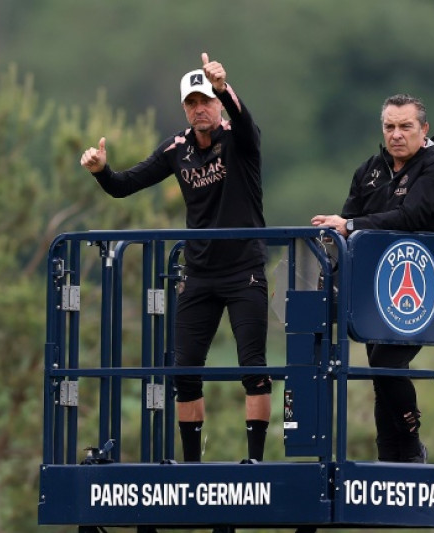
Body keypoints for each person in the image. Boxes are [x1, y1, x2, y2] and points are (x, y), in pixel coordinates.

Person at [80, 53, 271, 463]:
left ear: (218, 104)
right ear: (184, 109)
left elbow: (247, 126)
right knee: (184, 372)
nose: (200, 109)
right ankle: (192, 466)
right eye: (192, 103)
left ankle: (254, 460)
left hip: (244, 269)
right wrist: (101, 171)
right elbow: (123, 185)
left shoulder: (237, 137)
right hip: (199, 273)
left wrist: (224, 88)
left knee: (253, 367)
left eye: (206, 101)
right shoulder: (177, 148)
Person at [310, 93, 434, 463]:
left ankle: (412, 446)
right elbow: (346, 225)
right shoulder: (369, 171)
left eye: (405, 126)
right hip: (376, 288)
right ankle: (391, 457)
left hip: (429, 288)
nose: (396, 134)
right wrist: (332, 242)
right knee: (381, 368)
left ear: (423, 129)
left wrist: (351, 226)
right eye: (389, 126)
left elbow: (410, 217)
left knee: (386, 362)